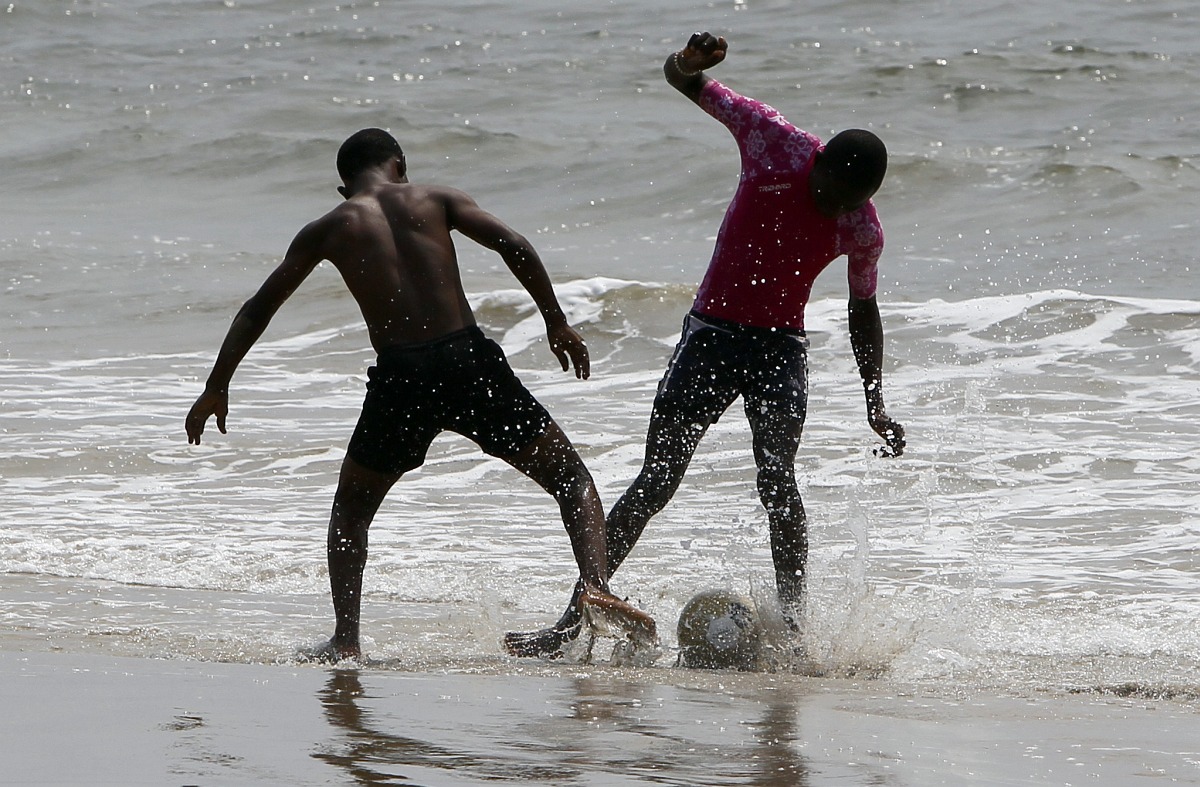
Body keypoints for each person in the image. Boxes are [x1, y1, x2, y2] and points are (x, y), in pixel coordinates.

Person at [505, 32, 905, 658]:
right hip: (711, 339)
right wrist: (688, 64)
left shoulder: (861, 226)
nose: (828, 204)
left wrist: (874, 398)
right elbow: (683, 81)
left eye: (846, 201)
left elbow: (864, 311)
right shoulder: (773, 138)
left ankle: (795, 641)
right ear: (818, 157)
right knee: (656, 481)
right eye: (825, 188)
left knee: (779, 483)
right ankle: (572, 620)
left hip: (779, 350)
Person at [185, 128, 655, 661]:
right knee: (570, 479)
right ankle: (597, 587)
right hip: (467, 362)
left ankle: (346, 639)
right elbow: (514, 245)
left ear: (344, 187)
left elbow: (258, 307)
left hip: (401, 379)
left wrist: (216, 385)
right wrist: (556, 322)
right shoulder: (435, 198)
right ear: (400, 165)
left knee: (351, 515)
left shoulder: (330, 228)